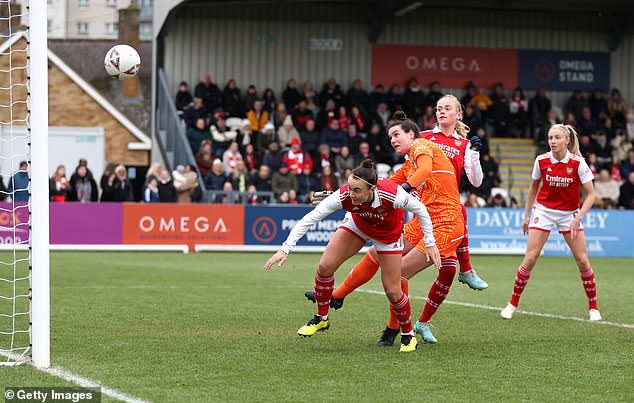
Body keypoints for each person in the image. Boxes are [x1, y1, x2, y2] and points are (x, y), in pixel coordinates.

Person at [308, 111, 466, 345]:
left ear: (411, 134)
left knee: (399, 273)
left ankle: (395, 330)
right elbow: (376, 187)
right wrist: (342, 195)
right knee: (375, 255)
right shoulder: (408, 162)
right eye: (389, 136)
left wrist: (403, 189)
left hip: (445, 223)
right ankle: (338, 296)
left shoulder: (421, 146)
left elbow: (422, 173)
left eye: (396, 134)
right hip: (424, 221)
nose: (392, 140)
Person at [264, 160, 441, 352]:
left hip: (388, 235)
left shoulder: (392, 194)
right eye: (349, 188)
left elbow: (421, 210)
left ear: (371, 189)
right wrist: (286, 248)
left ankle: (408, 335)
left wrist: (430, 243)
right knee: (325, 266)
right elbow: (311, 217)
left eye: (357, 190)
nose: (351, 194)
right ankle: (322, 318)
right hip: (358, 225)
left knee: (392, 290)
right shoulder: (344, 196)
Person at [500, 124, 602, 321]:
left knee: (582, 260)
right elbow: (533, 189)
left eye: (556, 138)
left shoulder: (579, 163)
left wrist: (578, 217)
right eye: (550, 138)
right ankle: (512, 304)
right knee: (530, 258)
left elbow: (591, 195)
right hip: (544, 211)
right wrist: (526, 215)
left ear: (567, 141)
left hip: (569, 214)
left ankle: (593, 308)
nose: (552, 141)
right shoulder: (541, 161)